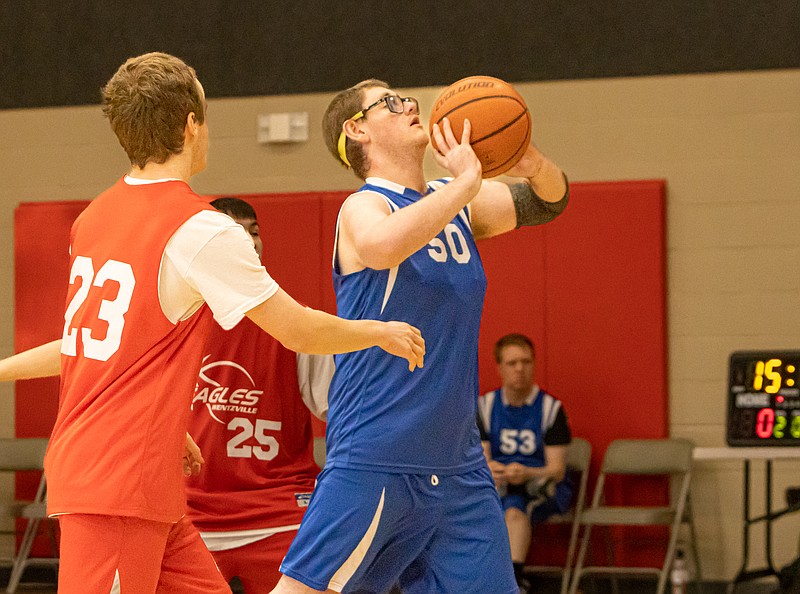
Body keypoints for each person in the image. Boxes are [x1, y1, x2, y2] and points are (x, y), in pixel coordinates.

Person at [33, 54, 424, 594]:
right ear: (192, 124)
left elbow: (94, 349)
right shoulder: (200, 228)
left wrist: (169, 428)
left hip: (143, 483)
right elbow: (297, 330)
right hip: (119, 487)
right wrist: (377, 332)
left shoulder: (93, 217)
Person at [272, 80, 569, 594]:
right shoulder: (363, 207)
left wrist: (530, 160)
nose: (409, 104)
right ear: (357, 128)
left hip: (459, 468)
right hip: (377, 454)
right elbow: (382, 246)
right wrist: (463, 186)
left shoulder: (453, 203)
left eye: (406, 97)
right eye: (389, 102)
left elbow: (550, 201)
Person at [477, 333, 573, 593]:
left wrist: (526, 472)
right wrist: (494, 469)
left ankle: (513, 582)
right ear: (499, 367)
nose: (520, 369)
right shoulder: (485, 406)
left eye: (526, 361)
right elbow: (481, 459)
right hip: (500, 483)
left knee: (516, 509)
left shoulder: (550, 408)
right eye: (512, 363)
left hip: (540, 484)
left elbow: (557, 469)